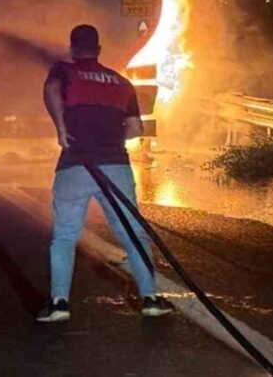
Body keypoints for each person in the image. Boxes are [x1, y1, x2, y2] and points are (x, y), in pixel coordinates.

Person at [36, 24, 173, 322]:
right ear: (98, 50)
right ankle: (151, 299)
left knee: (65, 237)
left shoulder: (64, 71)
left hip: (75, 166)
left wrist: (61, 129)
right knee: (133, 233)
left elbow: (50, 89)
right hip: (116, 168)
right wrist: (109, 140)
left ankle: (59, 305)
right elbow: (136, 128)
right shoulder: (122, 83)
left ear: (73, 49)